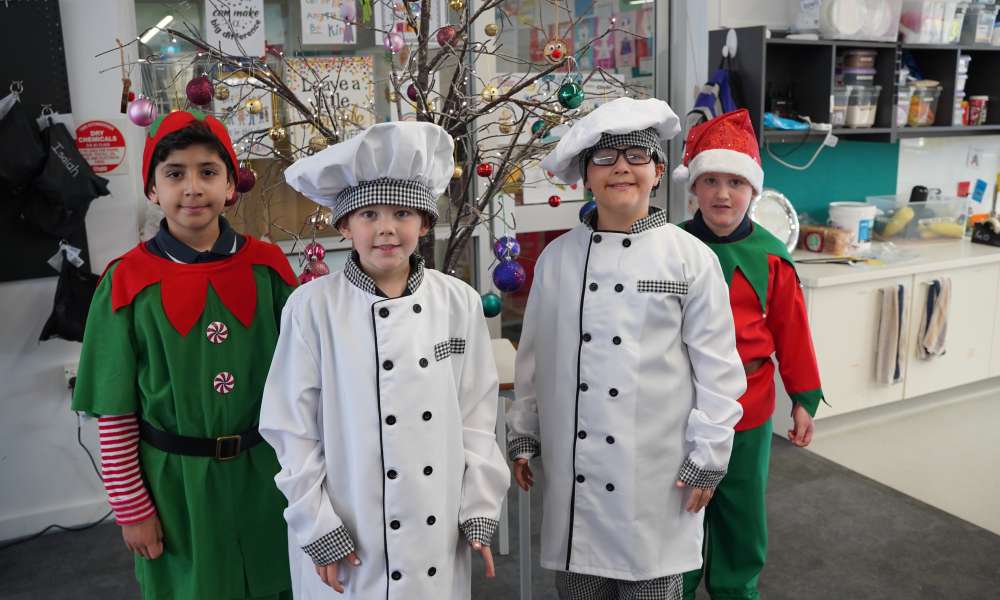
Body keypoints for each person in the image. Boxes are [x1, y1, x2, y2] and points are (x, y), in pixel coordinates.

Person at [507, 97, 747, 600]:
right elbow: (534, 356)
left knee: (651, 586)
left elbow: (718, 368)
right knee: (579, 588)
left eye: (637, 157)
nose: (622, 169)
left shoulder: (690, 259)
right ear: (585, 177)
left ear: (658, 172)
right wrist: (525, 432)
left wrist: (709, 454)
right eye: (605, 159)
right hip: (581, 476)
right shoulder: (556, 259)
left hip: (658, 475)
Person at [259, 121, 510, 600]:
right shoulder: (312, 307)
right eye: (368, 214)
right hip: (348, 527)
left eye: (402, 212)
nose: (387, 229)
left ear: (424, 222)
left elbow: (477, 416)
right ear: (344, 225)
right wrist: (317, 527)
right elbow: (290, 429)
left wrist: (478, 504)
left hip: (434, 528)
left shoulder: (457, 302)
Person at [72, 110, 296, 600]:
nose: (192, 187)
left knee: (278, 583)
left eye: (208, 172)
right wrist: (132, 509)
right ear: (152, 189)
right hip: (175, 489)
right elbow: (114, 412)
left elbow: (307, 383)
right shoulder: (126, 282)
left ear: (231, 185)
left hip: (269, 477)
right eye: (174, 173)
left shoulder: (268, 268)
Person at [674, 108, 825, 600]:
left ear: (753, 192)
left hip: (748, 406)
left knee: (739, 511)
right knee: (678, 509)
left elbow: (793, 332)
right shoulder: (669, 248)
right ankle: (674, 585)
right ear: (693, 187)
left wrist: (803, 396)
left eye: (735, 183)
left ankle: (735, 589)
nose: (722, 193)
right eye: (711, 180)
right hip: (677, 401)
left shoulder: (771, 259)